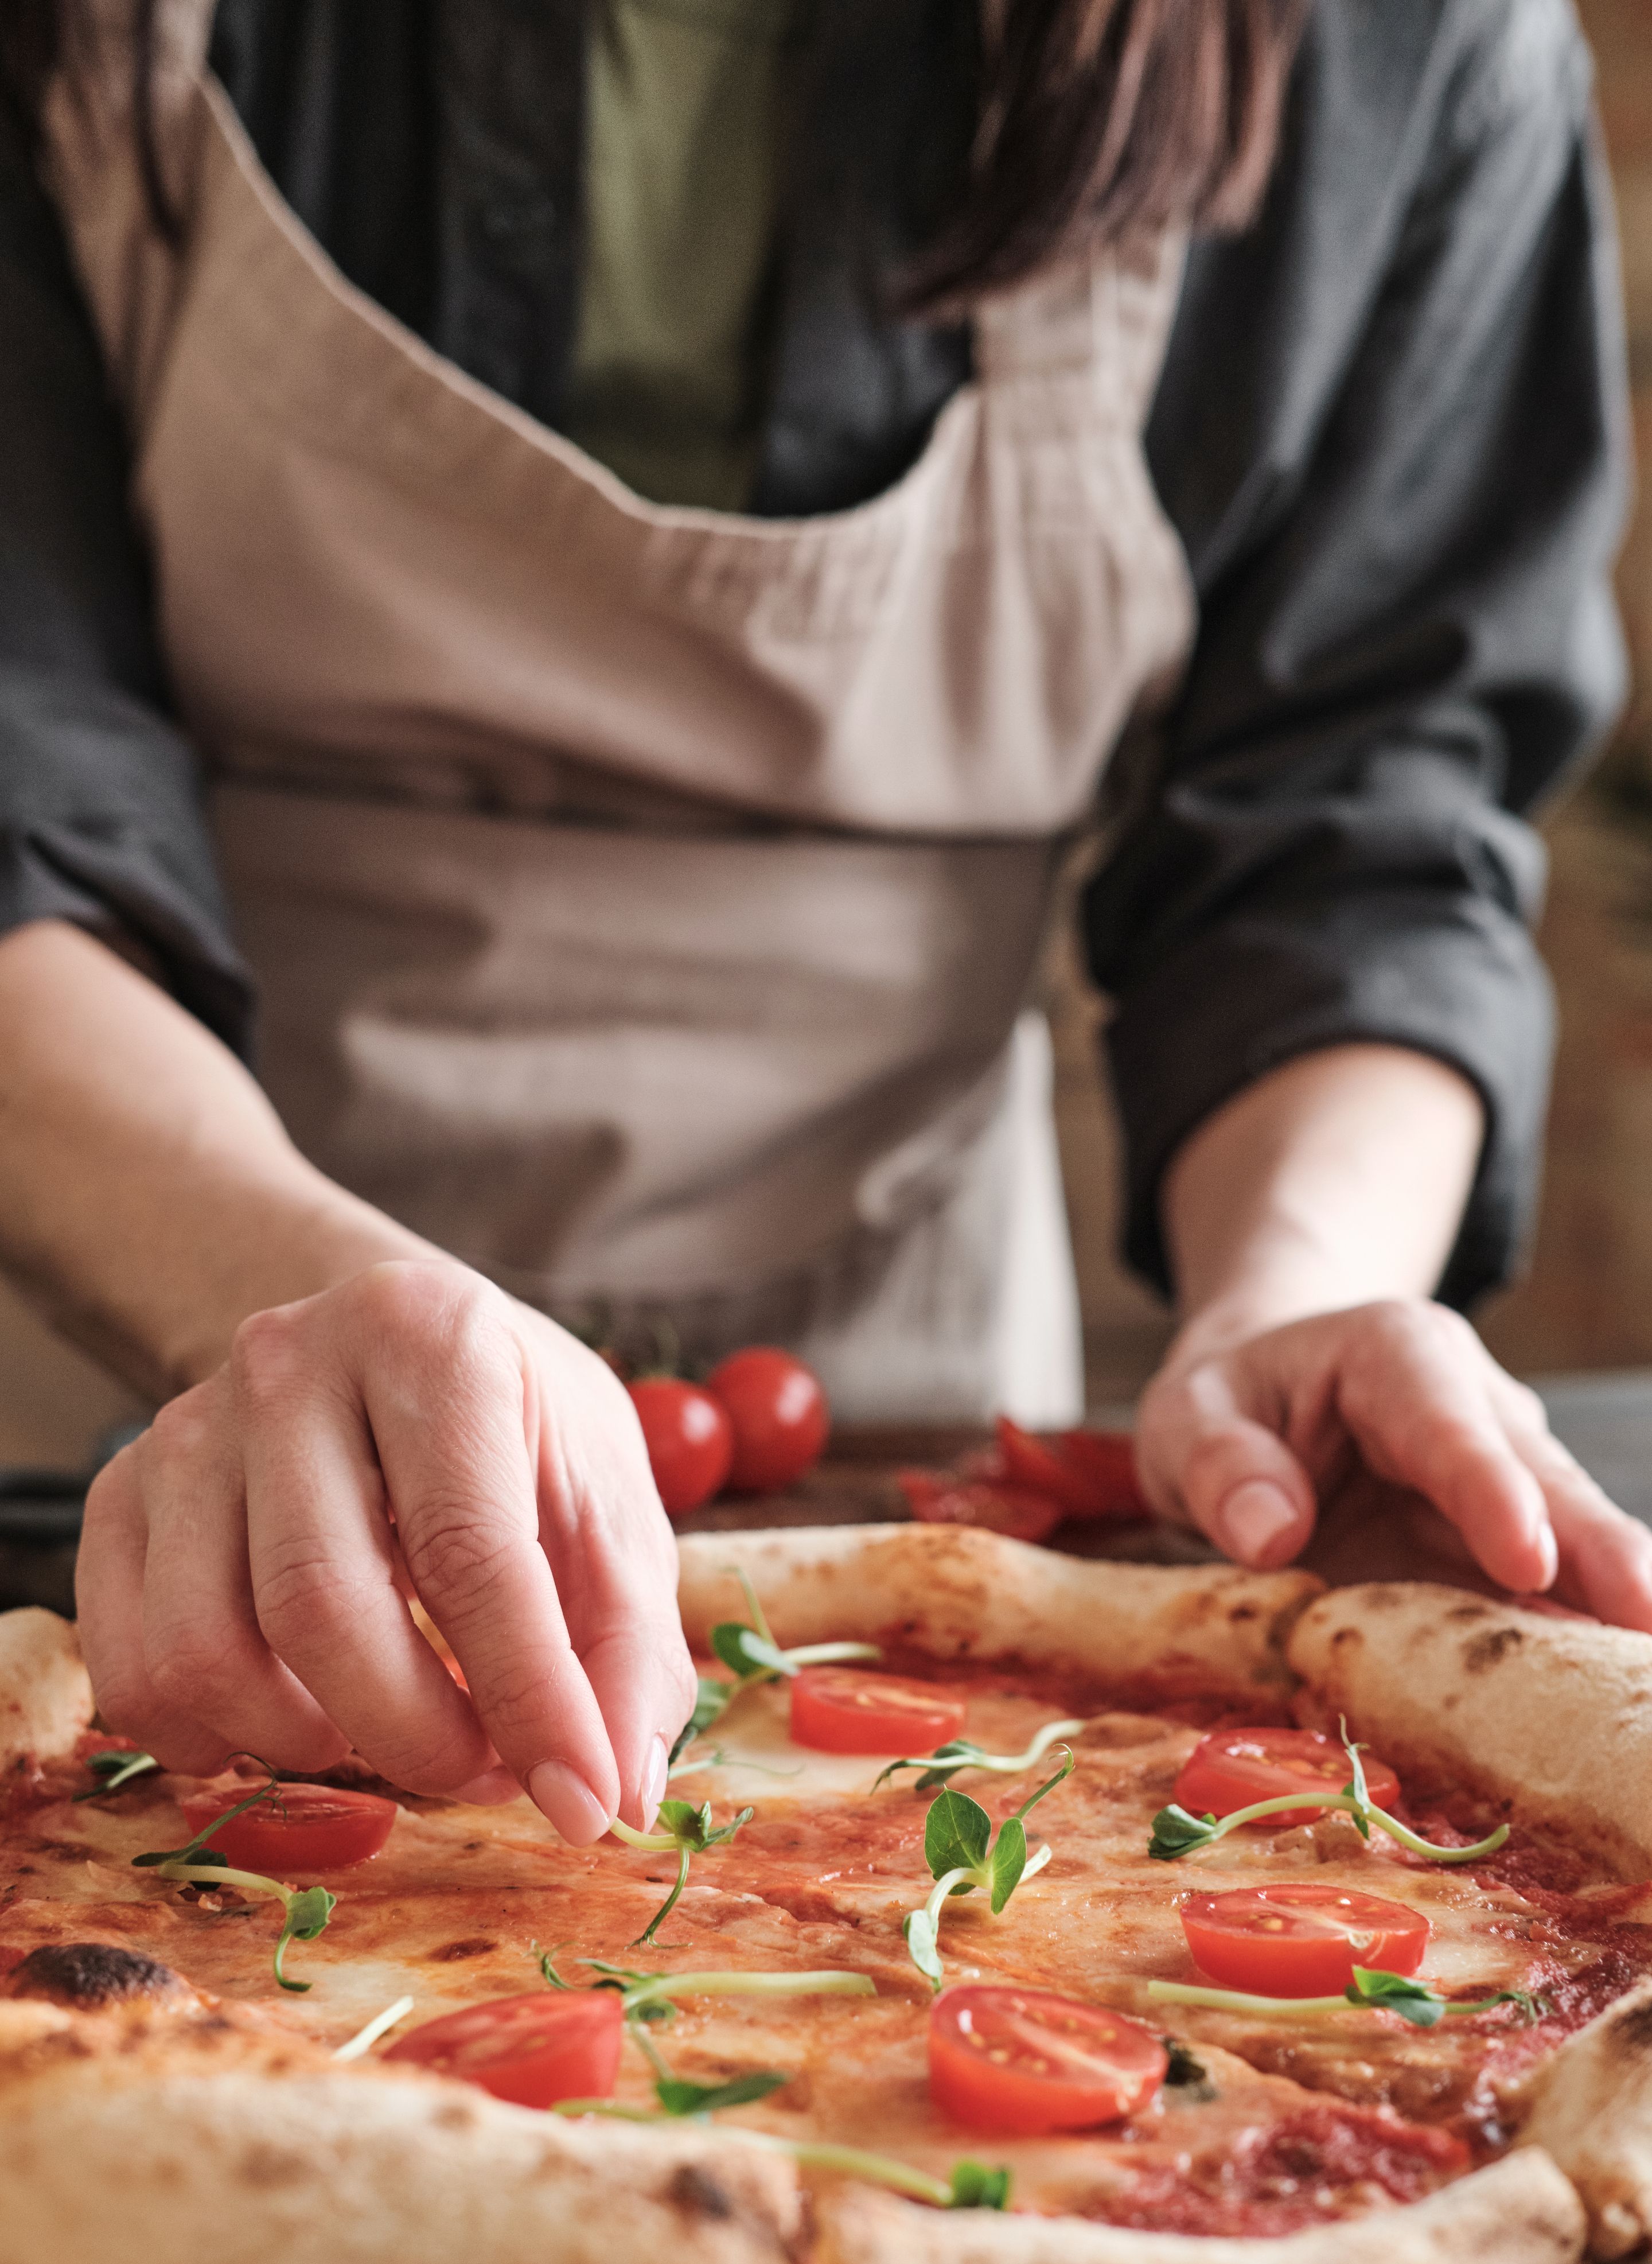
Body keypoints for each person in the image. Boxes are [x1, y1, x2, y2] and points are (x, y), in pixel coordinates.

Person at [0, 0, 1645, 1848]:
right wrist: (256, 1290)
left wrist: (1299, 1285)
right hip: (179, 1399)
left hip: (932, 1427)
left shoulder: (1398, 44)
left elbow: (1357, 830)